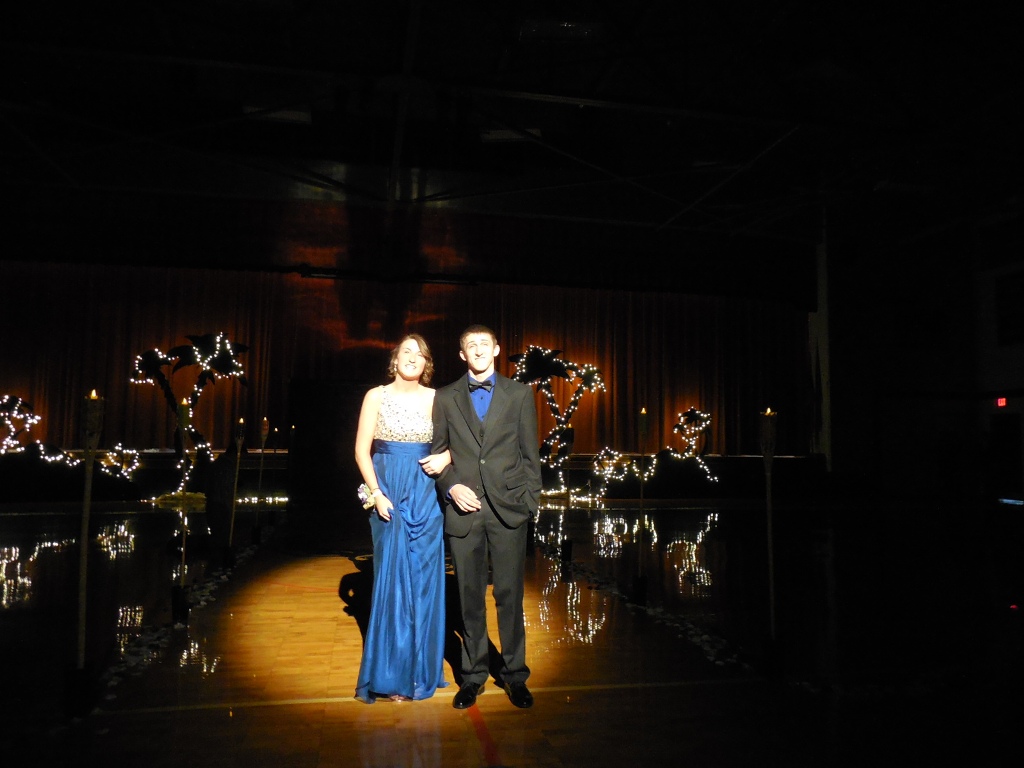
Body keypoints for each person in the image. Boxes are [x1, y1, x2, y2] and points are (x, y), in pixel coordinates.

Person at [427, 323, 543, 709]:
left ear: (496, 349)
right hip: (464, 510)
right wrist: (450, 487)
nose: (477, 350)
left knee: (510, 595)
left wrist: (529, 504)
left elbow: (530, 455)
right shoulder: (445, 397)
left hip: (509, 509)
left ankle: (515, 675)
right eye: (470, 345)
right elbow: (438, 453)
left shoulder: (519, 394)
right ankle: (473, 675)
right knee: (469, 596)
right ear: (462, 354)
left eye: (484, 343)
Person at [353, 333, 451, 703]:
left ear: (427, 364)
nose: (413, 357)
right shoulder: (376, 396)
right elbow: (361, 451)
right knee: (393, 584)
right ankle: (393, 676)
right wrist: (376, 493)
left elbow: (463, 442)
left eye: (420, 354)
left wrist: (447, 457)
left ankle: (421, 673)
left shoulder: (438, 399)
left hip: (425, 496)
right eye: (406, 351)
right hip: (388, 495)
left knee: (424, 584)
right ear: (395, 359)